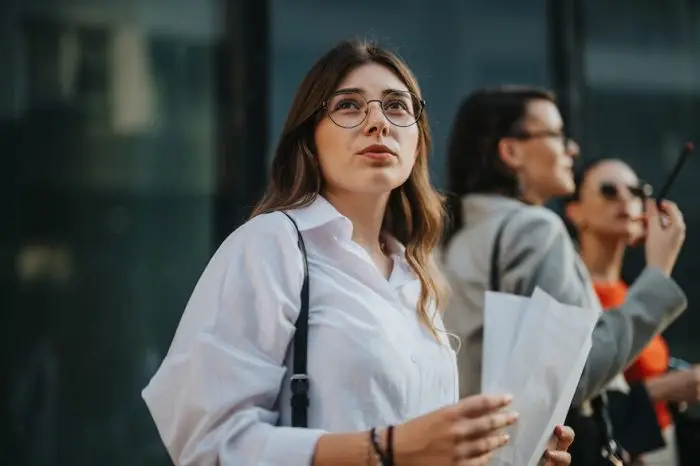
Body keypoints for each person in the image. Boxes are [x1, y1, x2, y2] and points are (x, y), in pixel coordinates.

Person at [141, 42, 574, 466]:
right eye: (349, 106)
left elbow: (424, 450)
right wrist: (387, 449)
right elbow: (207, 445)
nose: (377, 123)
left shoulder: (417, 276)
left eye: (397, 107)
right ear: (309, 138)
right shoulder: (272, 244)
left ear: (417, 144)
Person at [440, 86, 687, 464]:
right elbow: (575, 372)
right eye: (556, 135)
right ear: (511, 152)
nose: (571, 148)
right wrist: (658, 274)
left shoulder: (449, 234)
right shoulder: (534, 230)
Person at [565, 157, 700, 466]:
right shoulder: (572, 292)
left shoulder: (634, 294)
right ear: (575, 211)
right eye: (609, 190)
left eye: (637, 190)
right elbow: (576, 389)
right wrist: (662, 389)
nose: (626, 200)